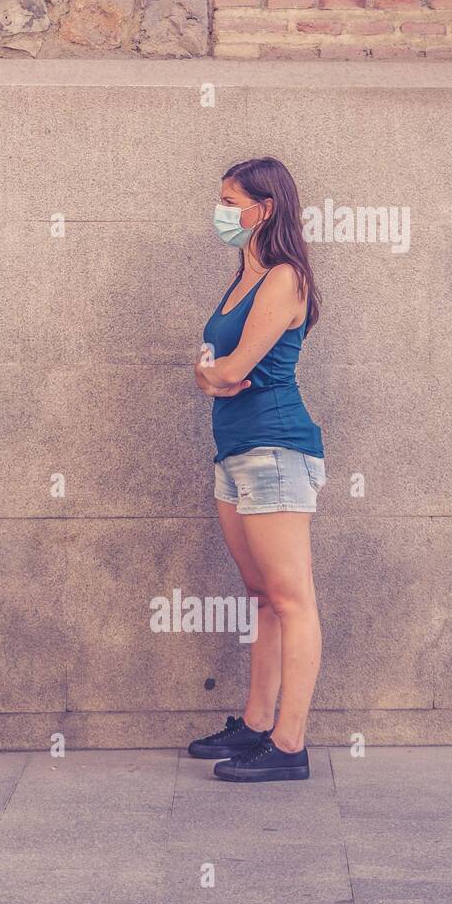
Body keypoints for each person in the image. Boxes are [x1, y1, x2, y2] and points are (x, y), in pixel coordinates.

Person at [188, 157, 325, 782]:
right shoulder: (242, 274)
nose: (220, 212)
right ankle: (256, 723)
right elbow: (213, 369)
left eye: (229, 201)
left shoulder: (283, 278)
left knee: (291, 599)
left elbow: (233, 365)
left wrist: (211, 374)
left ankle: (289, 746)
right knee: (261, 595)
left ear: (262, 209)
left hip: (274, 448)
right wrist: (211, 374)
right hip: (235, 452)